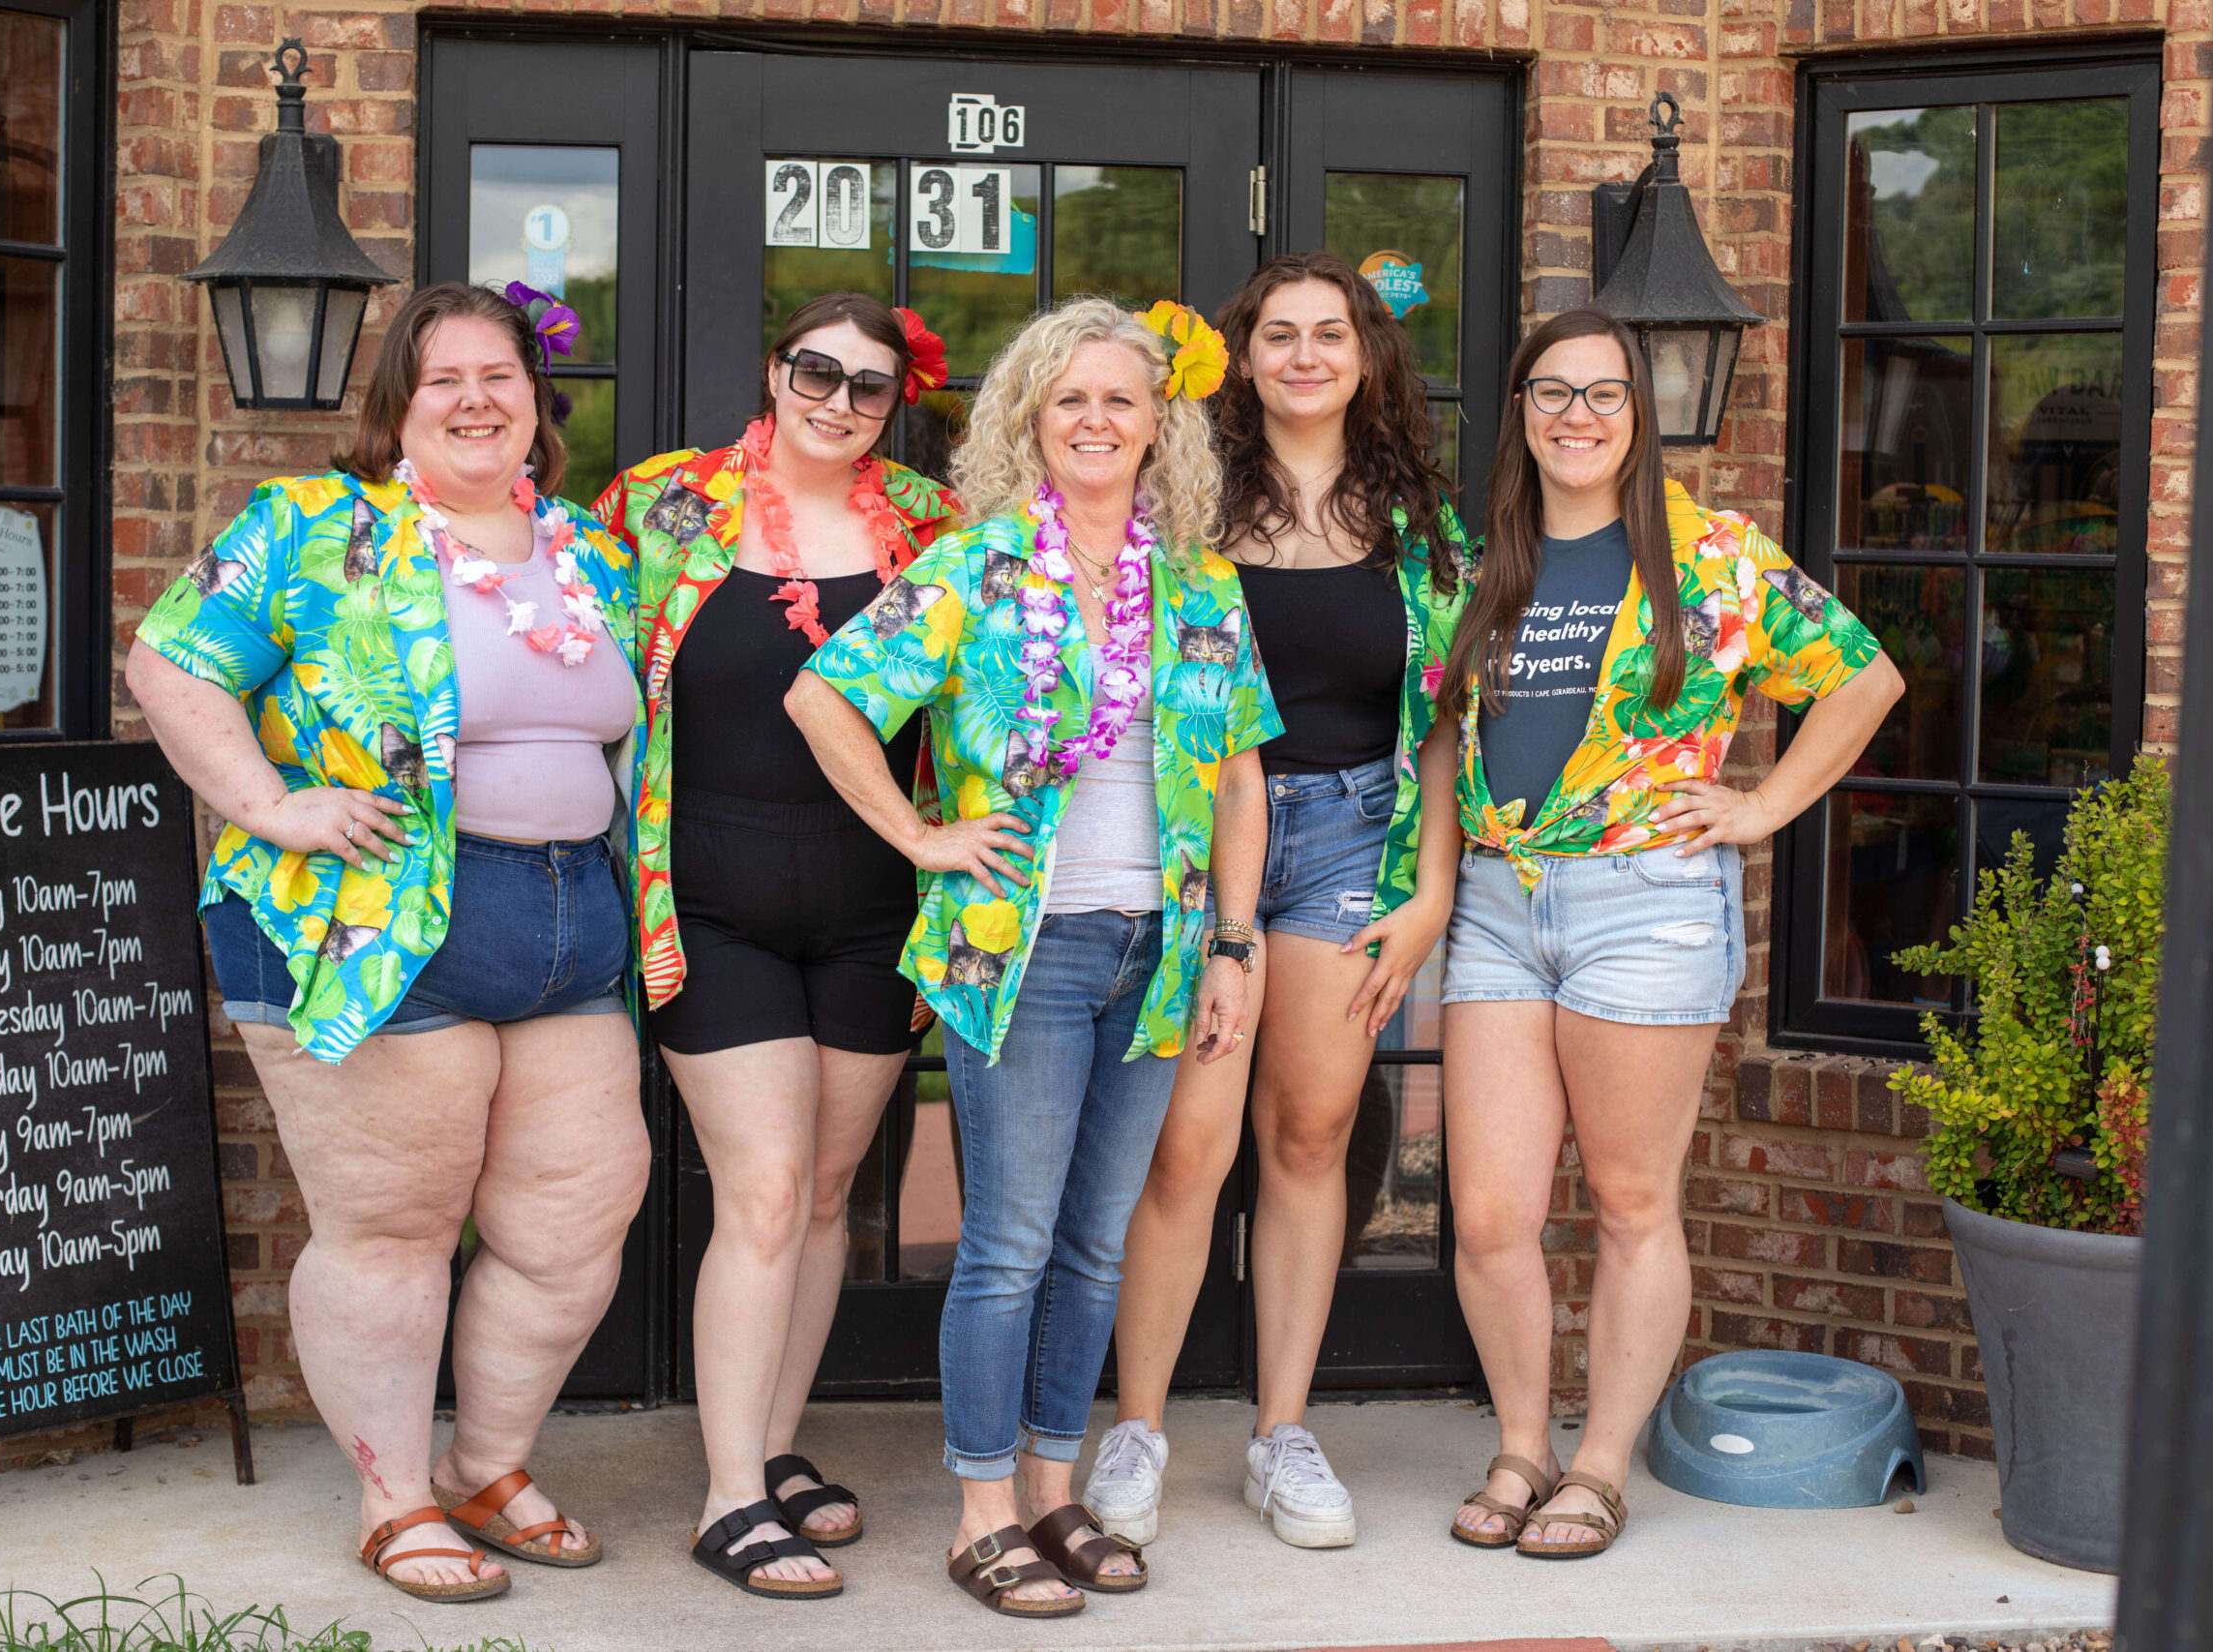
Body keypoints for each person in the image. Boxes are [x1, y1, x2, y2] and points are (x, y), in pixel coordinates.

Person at [128, 281, 651, 1602]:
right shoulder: (311, 526)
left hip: (568, 921)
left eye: (499, 376)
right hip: (368, 924)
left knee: (577, 1218)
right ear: (397, 404)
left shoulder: (590, 553)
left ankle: (486, 1464)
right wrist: (269, 806)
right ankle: (392, 1496)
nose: (476, 401)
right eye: (443, 379)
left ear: (535, 398)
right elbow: (171, 664)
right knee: (392, 1226)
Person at [787, 296, 1277, 1618]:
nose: (1096, 421)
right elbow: (822, 695)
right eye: (1070, 399)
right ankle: (983, 1514)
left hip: (1159, 950)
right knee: (1008, 1243)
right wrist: (920, 835)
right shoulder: (976, 570)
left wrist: (1233, 944)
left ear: (1159, 425)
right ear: (1029, 421)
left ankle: (1056, 1492)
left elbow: (1240, 776)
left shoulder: (1202, 586)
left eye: (1121, 399)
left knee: (1095, 1244)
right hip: (1021, 948)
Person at [1438, 308, 1902, 1558]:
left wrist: (1760, 808)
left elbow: (1864, 678)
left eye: (1604, 393)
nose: (1576, 416)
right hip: (1497, 902)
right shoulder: (1476, 560)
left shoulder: (1711, 557)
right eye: (1552, 391)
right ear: (1520, 410)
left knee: (1632, 1199)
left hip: (1643, 902)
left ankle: (1597, 1466)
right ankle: (1521, 1447)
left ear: (1639, 414)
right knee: (1488, 1214)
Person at [1090, 252, 1471, 1550]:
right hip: (1203, 844)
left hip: (1355, 842)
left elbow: (1441, 724)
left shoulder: (1419, 526)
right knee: (1187, 1145)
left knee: (1310, 1134)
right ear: (1242, 360)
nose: (1305, 355)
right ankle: (1137, 1428)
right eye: (1278, 335)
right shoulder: (1183, 506)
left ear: (1367, 358)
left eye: (1330, 333)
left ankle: (1282, 1433)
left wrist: (1430, 888)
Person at [590, 292, 960, 1600]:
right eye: (817, 372)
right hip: (708, 897)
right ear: (774, 370)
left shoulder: (933, 525)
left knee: (825, 1192)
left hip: (876, 904)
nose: (838, 403)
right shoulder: (657, 507)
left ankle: (775, 1447)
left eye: (869, 386)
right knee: (761, 1186)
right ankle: (729, 1498)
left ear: (894, 405)